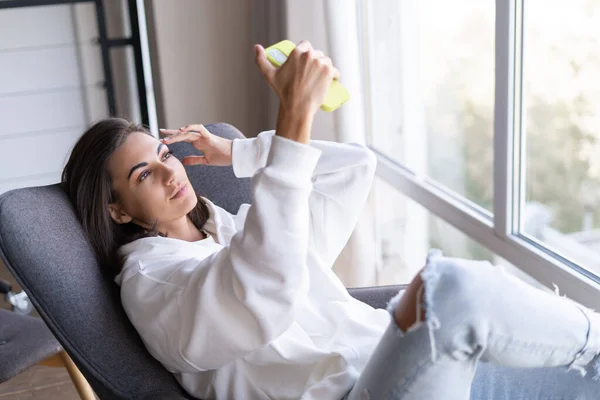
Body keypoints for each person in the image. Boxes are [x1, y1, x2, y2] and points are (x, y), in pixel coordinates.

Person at [61, 40, 600, 399]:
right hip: (360, 393)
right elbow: (262, 295)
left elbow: (351, 169)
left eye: (164, 154)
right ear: (117, 210)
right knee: (452, 290)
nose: (168, 170)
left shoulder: (226, 228)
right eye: (142, 174)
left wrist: (243, 153)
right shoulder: (152, 282)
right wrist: (293, 114)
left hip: (394, 367)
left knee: (580, 378)